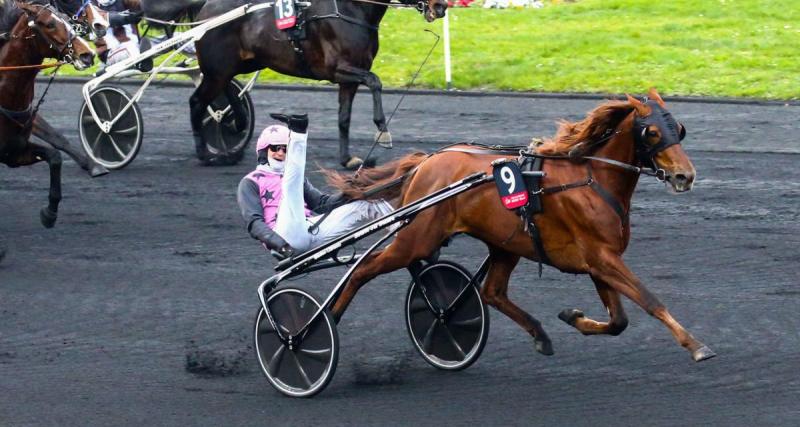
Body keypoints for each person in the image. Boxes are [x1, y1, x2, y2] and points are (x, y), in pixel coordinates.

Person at [237, 114, 393, 258]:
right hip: (284, 238)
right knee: (291, 184)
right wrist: (281, 246)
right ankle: (298, 133)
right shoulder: (250, 182)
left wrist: (354, 187)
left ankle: (406, 234)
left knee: (369, 201)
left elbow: (322, 204)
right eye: (275, 148)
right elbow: (254, 224)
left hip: (312, 232)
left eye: (286, 149)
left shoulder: (295, 179)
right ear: (263, 151)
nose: (281, 153)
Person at [92, 0, 151, 73]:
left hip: (138, 46)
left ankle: (141, 56)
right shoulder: (89, 5)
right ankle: (139, 63)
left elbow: (141, 4)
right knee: (130, 48)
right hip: (110, 52)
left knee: (166, 40)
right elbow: (105, 17)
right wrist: (128, 17)